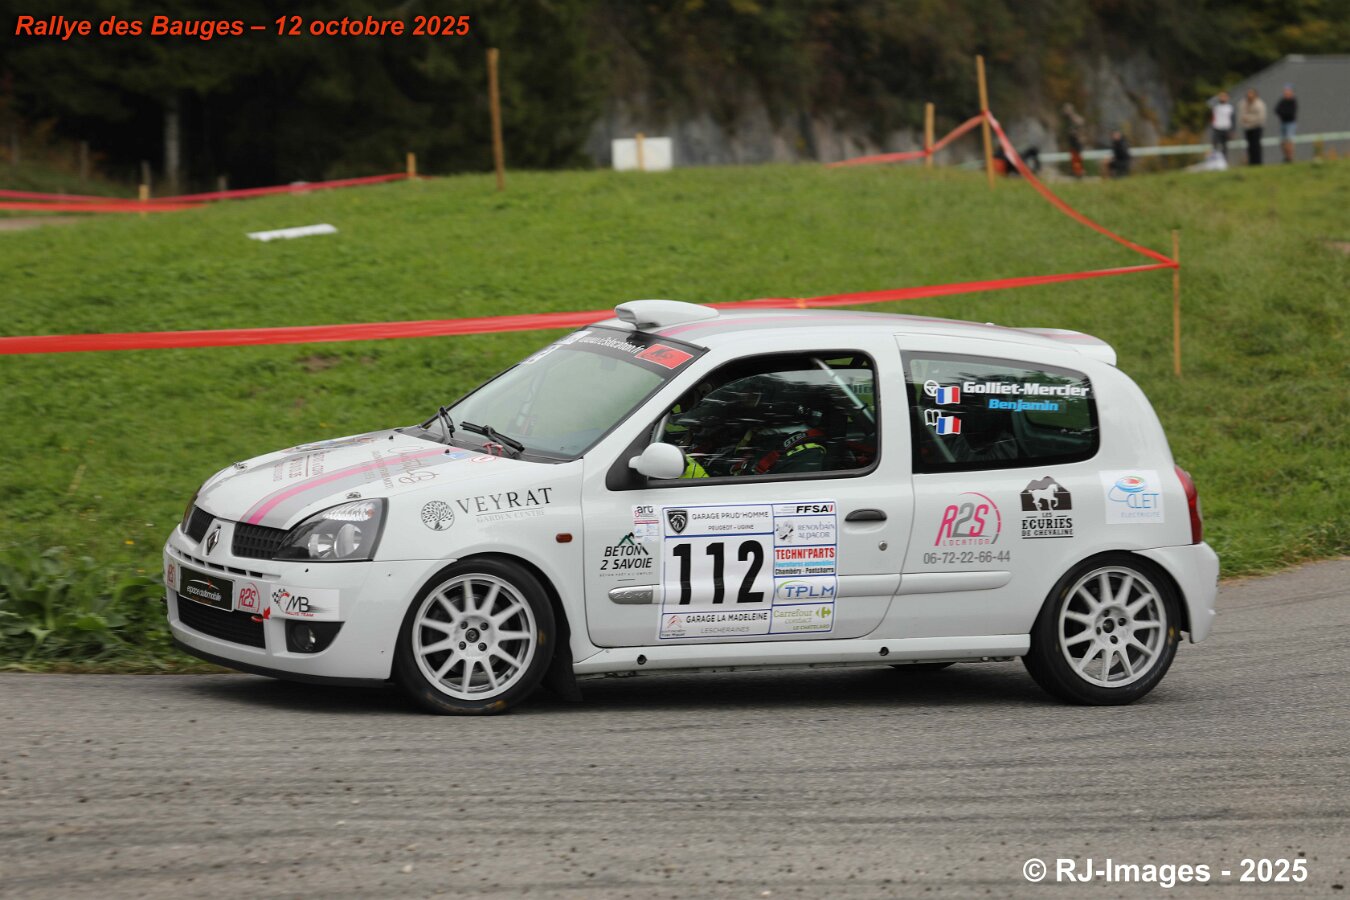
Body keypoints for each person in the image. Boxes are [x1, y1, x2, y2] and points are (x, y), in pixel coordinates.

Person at [1238, 88, 1267, 165]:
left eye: (1251, 94)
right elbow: (1241, 116)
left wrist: (1249, 119)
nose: (1249, 96)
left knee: (1256, 145)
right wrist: (1247, 120)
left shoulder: (1260, 104)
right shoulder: (1243, 103)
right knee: (1249, 146)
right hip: (1247, 128)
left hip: (1257, 127)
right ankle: (1251, 162)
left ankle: (1258, 162)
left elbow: (1261, 117)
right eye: (1248, 94)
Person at [1062, 103, 1086, 178]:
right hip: (1072, 141)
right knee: (1073, 157)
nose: (1065, 112)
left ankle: (1079, 173)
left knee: (1077, 158)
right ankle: (1076, 172)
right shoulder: (1068, 119)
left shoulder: (1075, 118)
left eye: (1067, 110)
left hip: (1076, 141)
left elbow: (1081, 122)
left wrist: (1079, 135)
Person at [1275, 85, 1298, 163]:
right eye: (1285, 91)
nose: (1286, 93)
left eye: (1288, 91)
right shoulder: (1282, 101)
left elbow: (1290, 113)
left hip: (1290, 124)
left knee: (1289, 140)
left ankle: (1290, 157)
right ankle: (1286, 157)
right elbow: (1276, 110)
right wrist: (1284, 113)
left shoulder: (1293, 102)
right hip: (1283, 123)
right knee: (1283, 141)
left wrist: (1283, 113)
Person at [1209, 91, 1234, 158]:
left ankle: (1224, 160)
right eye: (1221, 96)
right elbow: (1209, 102)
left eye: (1224, 96)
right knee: (1215, 145)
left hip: (1226, 129)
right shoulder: (1216, 107)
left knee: (1224, 146)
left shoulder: (1230, 107)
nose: (1223, 98)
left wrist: (1232, 130)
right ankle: (1215, 160)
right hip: (1217, 128)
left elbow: (1233, 120)